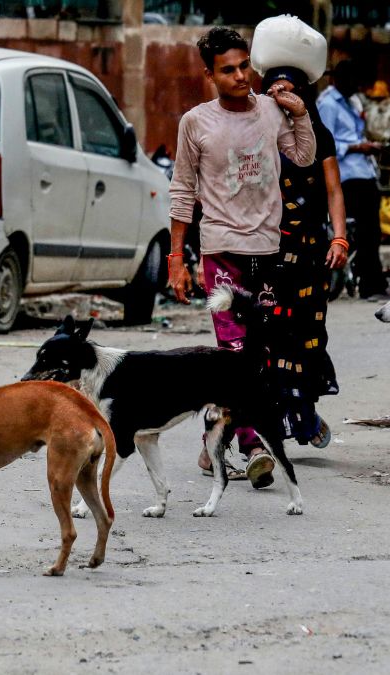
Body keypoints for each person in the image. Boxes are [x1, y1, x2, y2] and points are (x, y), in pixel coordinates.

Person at [167, 27, 316, 489]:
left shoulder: (270, 111)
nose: (239, 76)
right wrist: (176, 257)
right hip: (221, 251)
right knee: (233, 352)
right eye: (228, 69)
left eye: (244, 65)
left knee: (261, 352)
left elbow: (303, 156)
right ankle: (253, 446)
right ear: (209, 74)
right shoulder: (195, 122)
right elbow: (182, 191)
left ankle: (213, 439)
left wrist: (299, 113)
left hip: (267, 251)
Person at [261, 65, 348, 448]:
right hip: (266, 249)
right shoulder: (256, 132)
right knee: (270, 334)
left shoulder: (319, 134)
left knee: (307, 334)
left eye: (287, 90)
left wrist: (339, 238)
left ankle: (304, 411)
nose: (279, 97)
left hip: (311, 251)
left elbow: (333, 191)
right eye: (272, 91)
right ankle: (271, 419)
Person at [317, 60, 390, 302]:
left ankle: (371, 280)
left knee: (371, 232)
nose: (356, 86)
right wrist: (357, 147)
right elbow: (324, 144)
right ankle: (371, 285)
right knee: (368, 231)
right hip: (347, 177)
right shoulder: (328, 104)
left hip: (362, 173)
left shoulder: (350, 102)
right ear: (338, 80)